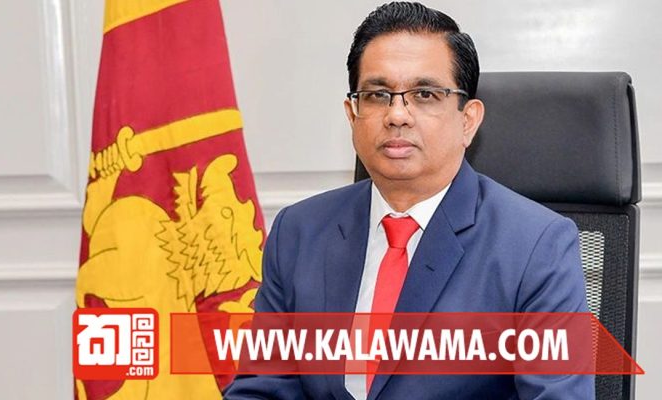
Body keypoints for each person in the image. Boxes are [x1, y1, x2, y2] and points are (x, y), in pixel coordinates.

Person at [223, 2, 594, 399]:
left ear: (468, 120)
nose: (397, 115)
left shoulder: (536, 245)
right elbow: (262, 389)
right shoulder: (299, 232)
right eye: (377, 95)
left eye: (424, 94)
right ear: (352, 115)